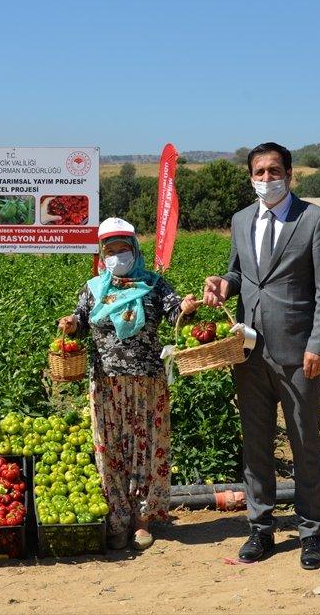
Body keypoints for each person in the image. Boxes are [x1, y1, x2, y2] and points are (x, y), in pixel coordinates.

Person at [203, 142, 320, 570]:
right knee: (256, 443)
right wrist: (223, 285)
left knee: (305, 442)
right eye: (259, 172)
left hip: (298, 353)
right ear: (250, 177)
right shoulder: (242, 219)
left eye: (274, 170)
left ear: (290, 174)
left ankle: (312, 531)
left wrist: (318, 344)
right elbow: (239, 273)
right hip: (249, 351)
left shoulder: (314, 219)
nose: (267, 178)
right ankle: (260, 528)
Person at [58, 217, 199, 550]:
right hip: (107, 383)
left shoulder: (154, 284)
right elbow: (79, 319)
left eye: (124, 250)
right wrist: (70, 323)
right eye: (111, 251)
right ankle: (116, 518)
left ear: (135, 250)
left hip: (146, 382)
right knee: (112, 450)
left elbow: (175, 312)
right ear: (102, 254)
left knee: (146, 448)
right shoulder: (93, 288)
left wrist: (188, 309)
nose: (118, 257)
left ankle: (142, 520)